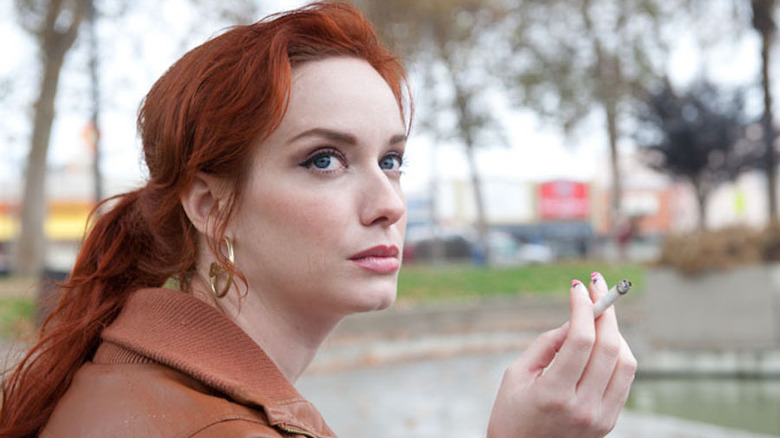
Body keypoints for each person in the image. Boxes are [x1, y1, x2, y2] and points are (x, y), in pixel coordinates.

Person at [0, 2, 636, 437]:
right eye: (325, 159)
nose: (388, 202)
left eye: (392, 159)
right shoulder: (213, 426)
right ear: (209, 207)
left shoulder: (147, 377)